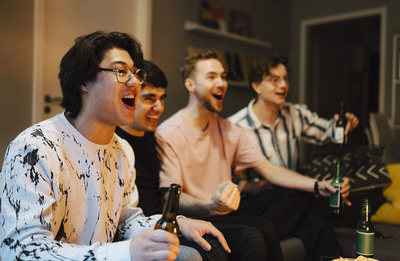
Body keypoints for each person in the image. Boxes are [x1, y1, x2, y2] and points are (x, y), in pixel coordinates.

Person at [0, 31, 230, 261]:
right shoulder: (34, 148)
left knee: (194, 254)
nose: (135, 82)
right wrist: (126, 252)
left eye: (136, 73)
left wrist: (178, 223)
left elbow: (124, 222)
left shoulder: (121, 150)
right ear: (83, 82)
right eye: (121, 71)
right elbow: (22, 251)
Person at [155, 50, 351, 261]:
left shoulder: (227, 128)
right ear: (190, 85)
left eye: (223, 76)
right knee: (265, 228)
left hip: (230, 212)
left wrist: (317, 185)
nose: (222, 83)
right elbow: (170, 198)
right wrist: (209, 202)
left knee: (303, 207)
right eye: (211, 77)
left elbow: (268, 169)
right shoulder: (169, 134)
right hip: (197, 217)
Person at [116, 60, 268, 260]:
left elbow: (167, 195)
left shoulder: (157, 138)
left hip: (167, 221)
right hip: (138, 229)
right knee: (215, 247)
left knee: (256, 232)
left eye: (162, 99)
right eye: (150, 99)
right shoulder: (118, 143)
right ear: (130, 97)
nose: (159, 107)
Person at [228, 54, 359, 184]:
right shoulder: (236, 127)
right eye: (275, 80)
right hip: (260, 198)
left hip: (294, 192)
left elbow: (325, 131)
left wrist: (342, 125)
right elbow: (228, 177)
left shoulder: (295, 113)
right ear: (257, 86)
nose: (283, 85)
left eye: (286, 79)